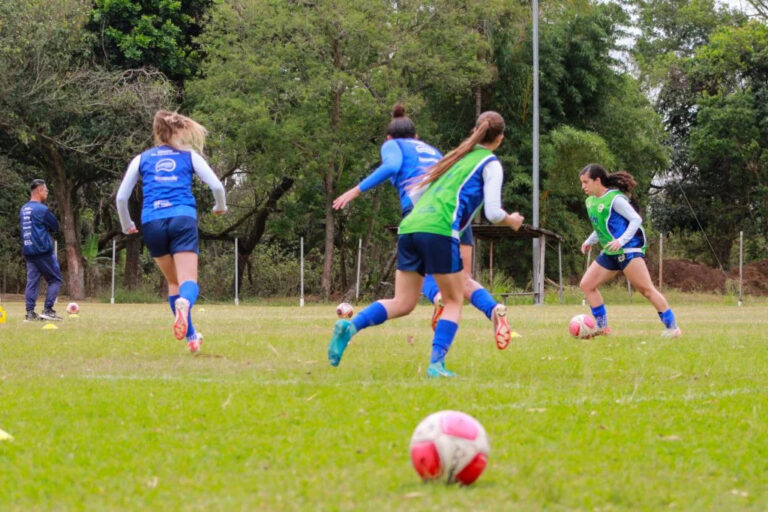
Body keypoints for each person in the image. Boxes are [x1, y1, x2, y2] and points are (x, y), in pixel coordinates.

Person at [328, 111, 524, 377]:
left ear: (475, 130)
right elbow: (493, 212)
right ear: (499, 139)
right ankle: (436, 365)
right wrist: (512, 220)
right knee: (454, 300)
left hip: (410, 226)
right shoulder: (490, 163)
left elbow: (416, 192)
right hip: (440, 230)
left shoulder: (454, 158)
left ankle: (351, 327)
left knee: (403, 302)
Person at [116, 110, 227, 352]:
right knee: (188, 283)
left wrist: (127, 224)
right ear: (178, 130)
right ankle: (186, 303)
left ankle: (191, 338)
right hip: (182, 218)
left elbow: (122, 197)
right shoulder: (189, 156)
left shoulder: (141, 158)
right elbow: (217, 187)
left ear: (156, 133)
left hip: (152, 222)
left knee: (173, 283)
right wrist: (220, 207)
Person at [578, 163, 681, 338]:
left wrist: (621, 241)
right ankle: (602, 328)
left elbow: (636, 219)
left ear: (597, 180)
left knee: (646, 290)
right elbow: (602, 226)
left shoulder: (615, 199)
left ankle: (673, 328)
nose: (583, 186)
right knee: (587, 285)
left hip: (629, 249)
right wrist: (590, 241)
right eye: (582, 183)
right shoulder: (591, 202)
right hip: (611, 251)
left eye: (586, 182)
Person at [19, 179, 63, 321]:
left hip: (29, 251)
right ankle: (48, 310)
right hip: (43, 251)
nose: (47, 193)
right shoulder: (41, 209)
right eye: (46, 190)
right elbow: (55, 226)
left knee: (32, 282)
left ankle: (30, 313)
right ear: (39, 191)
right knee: (55, 279)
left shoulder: (24, 209)